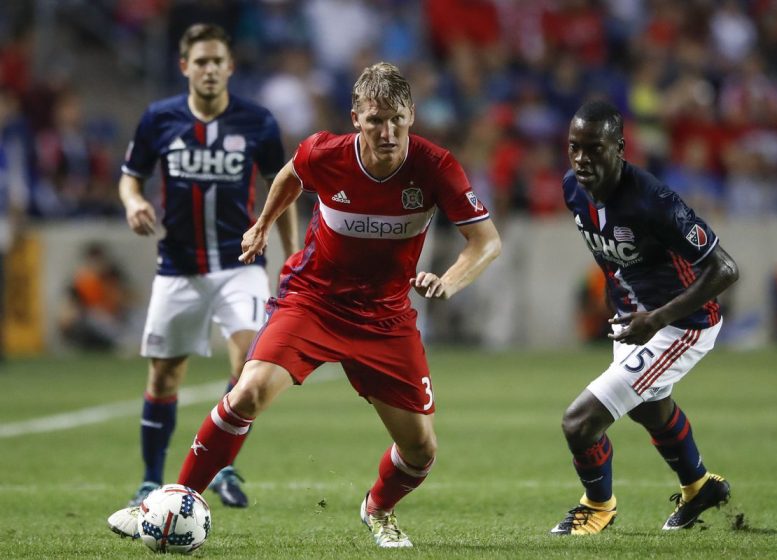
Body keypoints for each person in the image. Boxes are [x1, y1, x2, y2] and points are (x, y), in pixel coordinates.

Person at [108, 61, 501, 548]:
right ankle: (171, 501)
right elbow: (290, 176)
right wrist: (263, 224)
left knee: (420, 450)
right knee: (248, 392)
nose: (388, 132)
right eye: (376, 120)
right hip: (313, 301)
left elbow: (486, 241)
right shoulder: (324, 153)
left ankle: (378, 509)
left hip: (384, 317)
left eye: (397, 120)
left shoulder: (435, 166)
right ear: (355, 118)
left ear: (412, 116)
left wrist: (448, 280)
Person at [112, 23, 298, 510]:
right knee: (164, 378)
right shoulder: (159, 119)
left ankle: (222, 466)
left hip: (240, 263)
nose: (210, 69)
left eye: (217, 61)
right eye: (201, 62)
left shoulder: (258, 122)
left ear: (230, 67)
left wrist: (292, 252)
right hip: (178, 266)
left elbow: (284, 187)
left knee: (246, 366)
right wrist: (133, 202)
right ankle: (150, 481)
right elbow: (130, 177)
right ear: (185, 67)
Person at [551, 100, 739, 536]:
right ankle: (699, 487)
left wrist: (655, 319)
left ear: (620, 148)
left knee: (579, 422)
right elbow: (609, 253)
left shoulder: (654, 201)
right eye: (574, 147)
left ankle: (598, 506)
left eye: (594, 148)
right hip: (636, 321)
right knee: (648, 409)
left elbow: (725, 269)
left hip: (683, 324)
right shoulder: (573, 188)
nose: (581, 158)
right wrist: (620, 302)